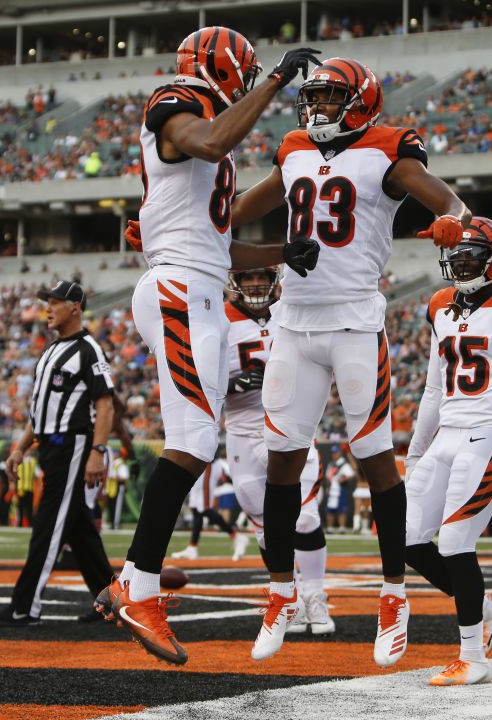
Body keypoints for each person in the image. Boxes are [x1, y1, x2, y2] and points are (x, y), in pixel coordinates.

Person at [228, 57, 474, 666]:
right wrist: (170, 227)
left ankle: (394, 597)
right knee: (280, 465)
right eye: (314, 95)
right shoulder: (291, 147)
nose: (319, 105)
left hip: (356, 322)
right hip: (293, 321)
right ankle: (281, 593)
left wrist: (451, 224)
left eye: (332, 95)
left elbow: (449, 202)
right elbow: (234, 212)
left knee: (375, 462)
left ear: (360, 99)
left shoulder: (388, 148)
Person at [94, 27, 323, 666]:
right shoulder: (175, 104)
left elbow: (222, 248)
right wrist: (277, 82)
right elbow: (216, 136)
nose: (248, 85)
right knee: (193, 442)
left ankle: (134, 584)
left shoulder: (206, 145)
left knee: (198, 440)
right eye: (247, 74)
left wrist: (284, 252)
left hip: (197, 287)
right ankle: (138, 588)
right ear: (228, 68)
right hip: (180, 291)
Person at [402, 218, 492, 685]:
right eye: (458, 254)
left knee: (453, 543)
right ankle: (488, 613)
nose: (460, 261)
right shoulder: (440, 304)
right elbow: (431, 388)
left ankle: (473, 658)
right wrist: (414, 451)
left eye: (471, 254)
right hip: (446, 432)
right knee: (407, 537)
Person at [0, 280, 119, 627]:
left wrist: (97, 451)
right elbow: (41, 411)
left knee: (48, 526)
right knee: (79, 530)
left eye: (54, 302)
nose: (47, 309)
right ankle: (112, 601)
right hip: (50, 446)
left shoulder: (89, 349)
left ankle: (25, 606)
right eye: (46, 302)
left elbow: (105, 406)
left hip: (74, 445)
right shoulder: (51, 351)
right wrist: (20, 447)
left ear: (75, 306)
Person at [220, 268, 334, 640]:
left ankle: (316, 596)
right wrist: (228, 384)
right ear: (234, 283)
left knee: (303, 517)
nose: (255, 284)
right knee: (266, 525)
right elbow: (191, 374)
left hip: (292, 424)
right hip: (242, 429)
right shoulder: (217, 318)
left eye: (261, 276)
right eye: (247, 277)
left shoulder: (293, 311)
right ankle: (292, 599)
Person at [171, 454, 246, 560]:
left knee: (204, 508)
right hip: (199, 462)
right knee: (196, 508)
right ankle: (193, 547)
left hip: (207, 462)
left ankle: (237, 537)